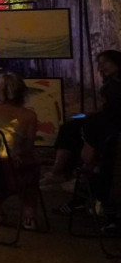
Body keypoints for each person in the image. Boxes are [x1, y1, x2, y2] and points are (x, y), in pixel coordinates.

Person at [42, 49, 121, 189]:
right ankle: (58, 171)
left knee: (93, 127)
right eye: (100, 64)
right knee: (69, 127)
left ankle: (86, 172)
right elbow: (106, 107)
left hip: (114, 122)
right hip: (106, 118)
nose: (102, 67)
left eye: (106, 62)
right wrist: (89, 114)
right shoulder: (110, 84)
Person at [0, 72, 40, 230]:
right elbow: (28, 148)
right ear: (22, 92)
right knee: (30, 165)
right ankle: (29, 214)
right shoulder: (28, 116)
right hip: (11, 172)